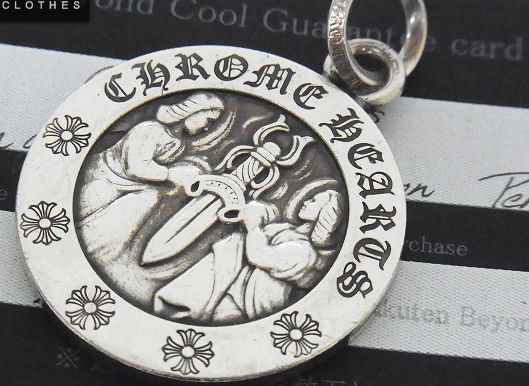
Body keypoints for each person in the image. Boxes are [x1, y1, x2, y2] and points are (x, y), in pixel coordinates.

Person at [76, 92, 224, 272]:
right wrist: (171, 174)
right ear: (192, 112)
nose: (207, 128)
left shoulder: (178, 143)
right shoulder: (149, 129)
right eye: (208, 120)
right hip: (102, 178)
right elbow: (135, 167)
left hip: (128, 187)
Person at [153, 189, 343, 325]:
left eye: (314, 201)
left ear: (324, 214)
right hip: (230, 285)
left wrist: (253, 226)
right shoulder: (287, 229)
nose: (306, 202)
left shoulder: (303, 251)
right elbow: (262, 231)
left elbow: (258, 255)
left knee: (208, 326)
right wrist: (261, 212)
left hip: (244, 304)